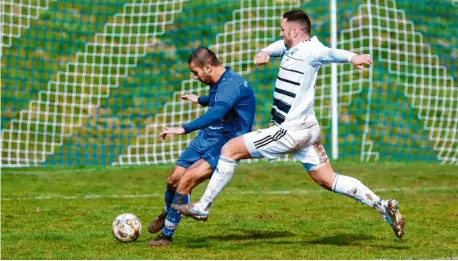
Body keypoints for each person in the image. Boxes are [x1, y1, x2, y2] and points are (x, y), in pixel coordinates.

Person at [171, 10, 405, 239]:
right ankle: (382, 205)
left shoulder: (312, 50)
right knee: (328, 179)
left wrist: (353, 57)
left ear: (294, 31)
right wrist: (264, 51)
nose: (281, 33)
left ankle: (203, 206)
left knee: (229, 149)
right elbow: (278, 46)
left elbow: (330, 53)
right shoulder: (291, 47)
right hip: (308, 130)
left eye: (283, 29)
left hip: (289, 131)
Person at [147, 47, 256, 246]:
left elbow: (216, 113)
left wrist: (184, 128)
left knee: (187, 179)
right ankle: (167, 211)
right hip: (209, 135)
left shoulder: (232, 85)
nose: (195, 77)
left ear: (207, 67)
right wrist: (198, 99)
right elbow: (216, 99)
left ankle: (166, 236)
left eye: (195, 72)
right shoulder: (219, 80)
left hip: (228, 141)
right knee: (173, 179)